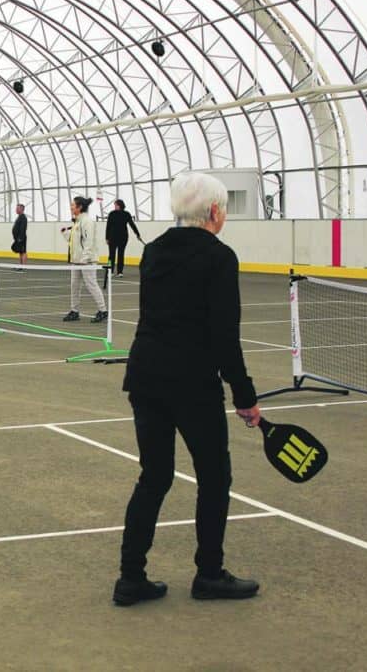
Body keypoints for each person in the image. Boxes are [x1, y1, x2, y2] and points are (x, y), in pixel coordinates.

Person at [113, 172, 261, 606]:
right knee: (214, 478)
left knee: (154, 477)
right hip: (192, 383)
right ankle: (209, 574)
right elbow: (224, 336)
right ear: (215, 212)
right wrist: (245, 397)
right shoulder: (219, 257)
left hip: (145, 376)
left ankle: (130, 578)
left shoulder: (154, 252)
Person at [60, 196, 107, 323]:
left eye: (73, 205)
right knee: (74, 286)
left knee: (91, 285)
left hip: (87, 261)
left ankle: (103, 311)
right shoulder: (77, 222)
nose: (71, 207)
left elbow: (89, 242)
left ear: (80, 207)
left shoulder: (87, 222)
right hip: (76, 261)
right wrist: (66, 233)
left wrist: (85, 259)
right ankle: (74, 311)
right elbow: (74, 241)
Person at [106, 199, 142, 278]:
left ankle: (120, 272)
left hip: (122, 237)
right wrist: (107, 237)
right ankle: (110, 271)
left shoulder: (126, 214)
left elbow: (132, 224)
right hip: (113, 237)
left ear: (119, 205)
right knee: (111, 255)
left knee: (120, 254)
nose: (114, 206)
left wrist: (137, 234)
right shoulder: (111, 214)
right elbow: (108, 226)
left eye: (115, 205)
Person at [11, 203, 28, 269]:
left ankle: (24, 267)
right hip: (18, 238)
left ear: (21, 209)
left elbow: (23, 228)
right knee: (20, 252)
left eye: (17, 208)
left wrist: (20, 238)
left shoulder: (23, 217)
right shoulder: (19, 217)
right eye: (16, 208)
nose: (16, 209)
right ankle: (21, 266)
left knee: (23, 252)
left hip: (21, 238)